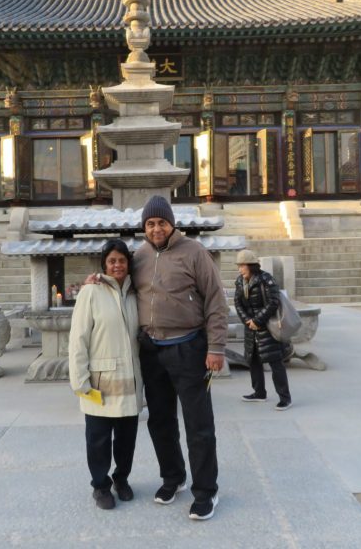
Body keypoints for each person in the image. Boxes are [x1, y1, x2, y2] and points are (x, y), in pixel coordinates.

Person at [135, 195, 228, 521]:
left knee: (198, 424)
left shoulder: (194, 252)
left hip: (189, 349)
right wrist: (97, 280)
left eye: (161, 222)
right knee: (160, 421)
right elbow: (122, 287)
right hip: (152, 350)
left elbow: (216, 299)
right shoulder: (140, 255)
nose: (156, 228)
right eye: (150, 223)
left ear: (171, 223)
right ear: (144, 227)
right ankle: (173, 478)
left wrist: (216, 348)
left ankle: (206, 491)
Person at [69, 240, 143, 511]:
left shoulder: (136, 292)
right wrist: (79, 379)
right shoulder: (91, 292)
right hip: (100, 381)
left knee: (126, 438)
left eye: (121, 260)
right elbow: (78, 337)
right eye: (111, 261)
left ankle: (121, 479)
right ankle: (100, 485)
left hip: (130, 379)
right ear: (104, 264)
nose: (117, 265)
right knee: (98, 439)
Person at [233, 249, 292, 411]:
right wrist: (247, 321)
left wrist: (258, 321)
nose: (239, 269)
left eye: (242, 266)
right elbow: (237, 303)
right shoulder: (239, 281)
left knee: (275, 363)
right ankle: (259, 393)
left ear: (251, 266)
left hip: (267, 327)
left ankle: (285, 398)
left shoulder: (266, 280)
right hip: (250, 328)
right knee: (253, 361)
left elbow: (273, 302)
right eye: (239, 266)